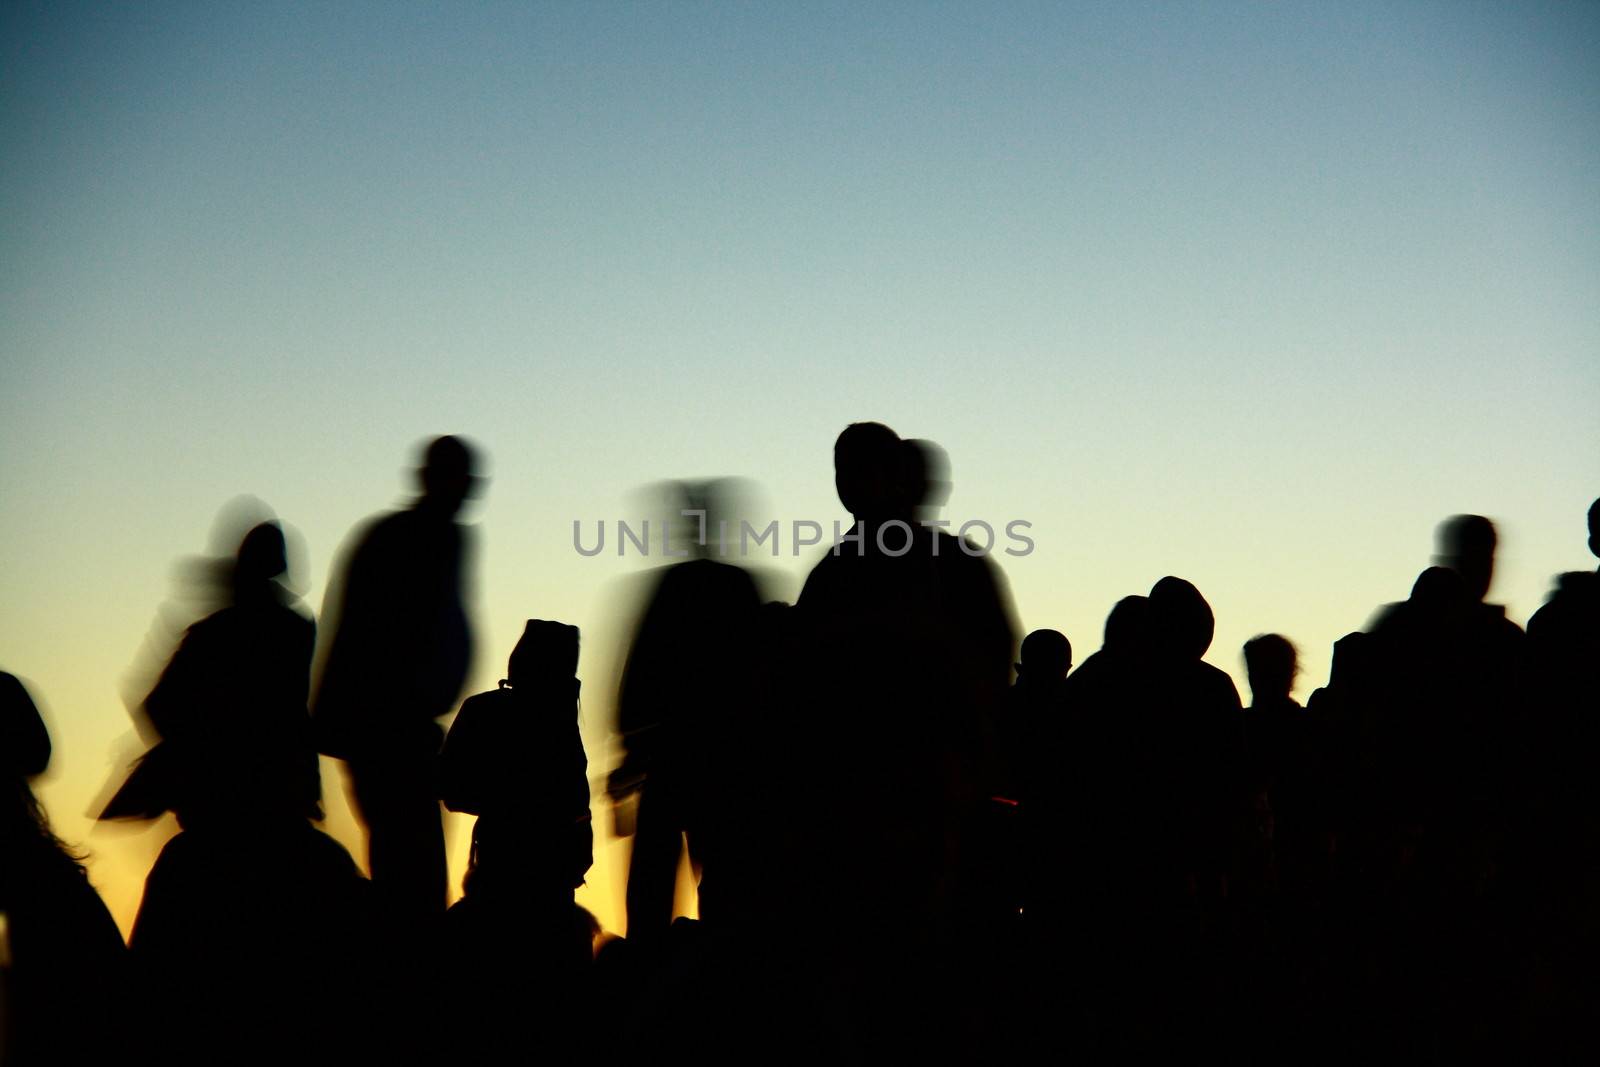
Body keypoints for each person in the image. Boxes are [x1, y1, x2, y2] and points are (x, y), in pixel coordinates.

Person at [314, 435, 482, 920]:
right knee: (412, 876)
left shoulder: (410, 536)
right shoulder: (420, 538)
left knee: (408, 868)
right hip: (389, 732)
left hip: (393, 732)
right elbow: (370, 634)